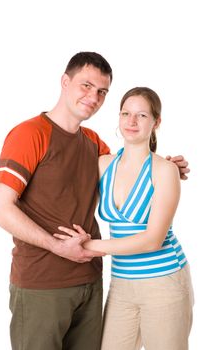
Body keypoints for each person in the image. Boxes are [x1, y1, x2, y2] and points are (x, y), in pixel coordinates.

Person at [0, 51, 190, 350]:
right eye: (86, 85)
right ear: (65, 81)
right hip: (43, 283)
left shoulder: (94, 144)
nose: (93, 97)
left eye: (102, 91)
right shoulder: (29, 134)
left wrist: (169, 167)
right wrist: (57, 246)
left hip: (91, 282)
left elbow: (132, 165)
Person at [55, 87, 194, 350]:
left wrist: (88, 246)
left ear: (156, 122)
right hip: (121, 285)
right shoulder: (103, 165)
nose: (131, 121)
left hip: (163, 283)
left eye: (141, 115)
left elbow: (152, 240)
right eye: (125, 113)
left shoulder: (165, 171)